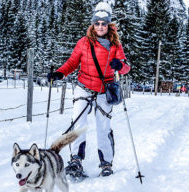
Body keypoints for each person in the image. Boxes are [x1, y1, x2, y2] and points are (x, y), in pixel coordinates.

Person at [47, 2, 130, 178]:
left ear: (108, 24)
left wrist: (119, 65)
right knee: (78, 124)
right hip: (83, 88)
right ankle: (76, 160)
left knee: (103, 127)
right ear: (93, 23)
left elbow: (126, 68)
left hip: (104, 91)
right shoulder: (84, 43)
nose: (100, 26)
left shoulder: (115, 44)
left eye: (104, 23)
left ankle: (106, 163)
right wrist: (59, 73)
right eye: (97, 22)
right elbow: (72, 62)